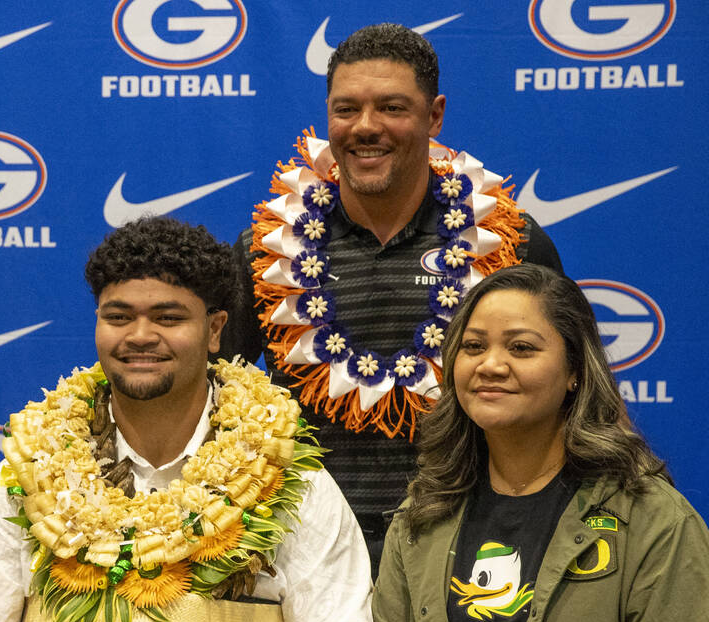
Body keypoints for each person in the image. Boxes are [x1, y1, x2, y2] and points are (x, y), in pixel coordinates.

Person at [0, 217, 373, 622]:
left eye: (168, 317)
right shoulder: (27, 475)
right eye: (118, 316)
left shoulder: (291, 479)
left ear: (214, 330)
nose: (140, 336)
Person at [218, 23, 564, 569]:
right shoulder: (268, 248)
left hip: (473, 547)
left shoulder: (509, 242)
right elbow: (213, 397)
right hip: (305, 553)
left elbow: (572, 397)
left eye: (392, 108)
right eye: (346, 109)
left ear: (434, 116)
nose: (365, 128)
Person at [366, 264, 709, 622]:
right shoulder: (421, 517)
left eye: (522, 348)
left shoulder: (652, 517)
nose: (491, 365)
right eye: (473, 346)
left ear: (574, 371)